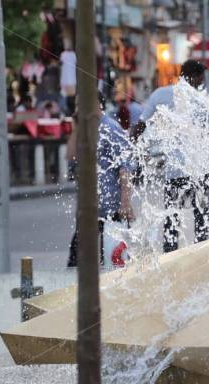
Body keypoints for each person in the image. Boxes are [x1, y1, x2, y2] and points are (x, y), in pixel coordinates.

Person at [133, 60, 209, 252]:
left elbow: (140, 126)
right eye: (201, 78)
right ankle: (201, 256)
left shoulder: (160, 94)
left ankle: (170, 256)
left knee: (171, 218)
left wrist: (134, 151)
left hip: (173, 171)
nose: (202, 82)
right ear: (197, 78)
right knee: (201, 219)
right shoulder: (202, 100)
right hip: (199, 170)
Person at [67, 94, 135, 268]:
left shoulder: (110, 128)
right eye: (76, 106)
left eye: (80, 105)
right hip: (89, 207)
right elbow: (70, 156)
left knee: (111, 260)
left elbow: (125, 166)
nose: (77, 110)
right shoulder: (84, 130)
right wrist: (76, 127)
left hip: (110, 206)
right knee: (77, 260)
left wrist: (125, 202)